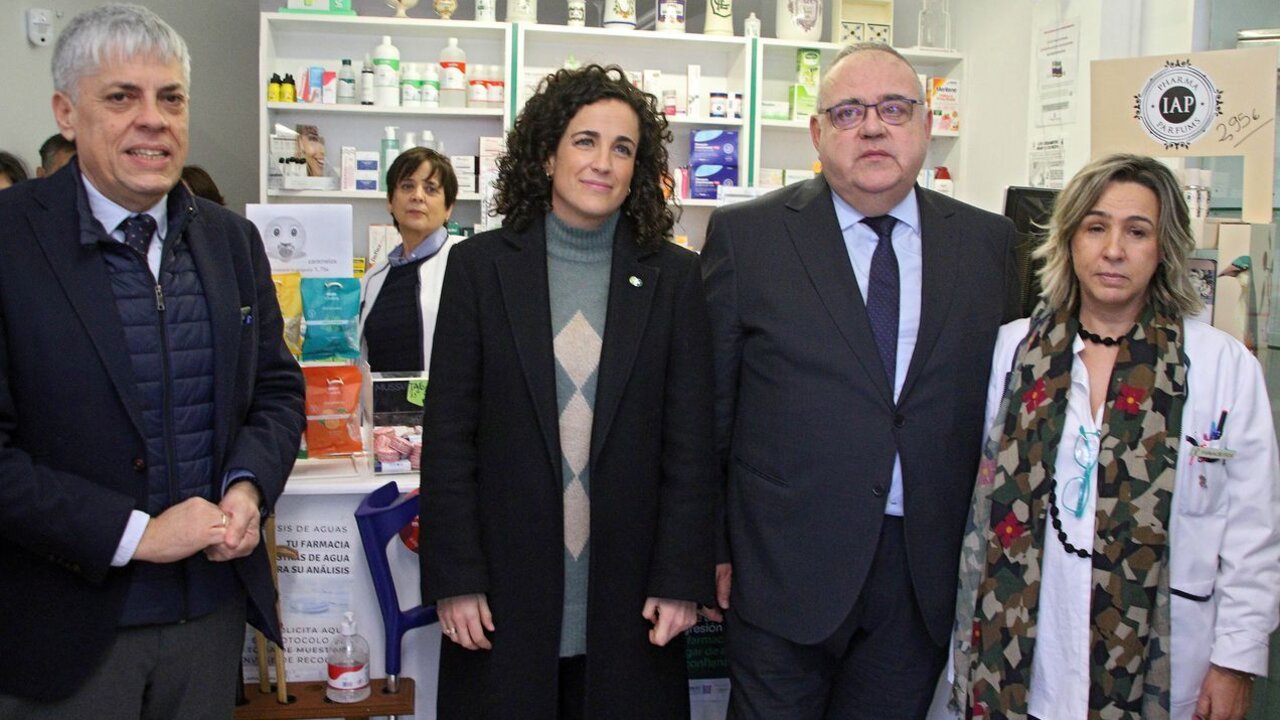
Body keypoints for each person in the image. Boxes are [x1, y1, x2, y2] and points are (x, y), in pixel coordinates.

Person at [0, 6, 305, 719]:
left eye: (170, 98)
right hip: (66, 633)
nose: (153, 119)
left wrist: (248, 487)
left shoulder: (229, 241)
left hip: (207, 619)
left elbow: (276, 390)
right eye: (121, 97)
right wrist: (138, 535)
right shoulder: (11, 241)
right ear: (65, 112)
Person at [701, 41, 1021, 719]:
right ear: (817, 133)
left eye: (894, 108)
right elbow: (712, 413)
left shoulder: (989, 246)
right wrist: (713, 549)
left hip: (922, 575)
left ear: (927, 125)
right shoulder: (748, 237)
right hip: (781, 566)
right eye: (848, 112)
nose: (873, 127)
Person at [420, 63, 716, 719]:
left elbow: (691, 447)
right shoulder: (480, 268)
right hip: (501, 596)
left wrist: (680, 579)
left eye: (623, 148)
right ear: (548, 151)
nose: (602, 162)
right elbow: (447, 439)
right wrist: (455, 578)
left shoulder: (673, 277)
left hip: (633, 603)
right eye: (585, 141)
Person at [943, 154, 1280, 720]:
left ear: (1164, 247)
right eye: (1096, 227)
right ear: (1069, 240)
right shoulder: (1013, 351)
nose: (1114, 250)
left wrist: (1235, 662)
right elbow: (974, 513)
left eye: (1137, 231)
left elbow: (1253, 529)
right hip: (1021, 657)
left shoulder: (1220, 364)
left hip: (1167, 662)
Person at [358, 146, 460, 372]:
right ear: (390, 202)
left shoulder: (466, 262)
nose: (417, 196)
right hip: (382, 405)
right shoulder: (373, 278)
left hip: (446, 405)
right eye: (407, 186)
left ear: (448, 208)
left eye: (431, 189)